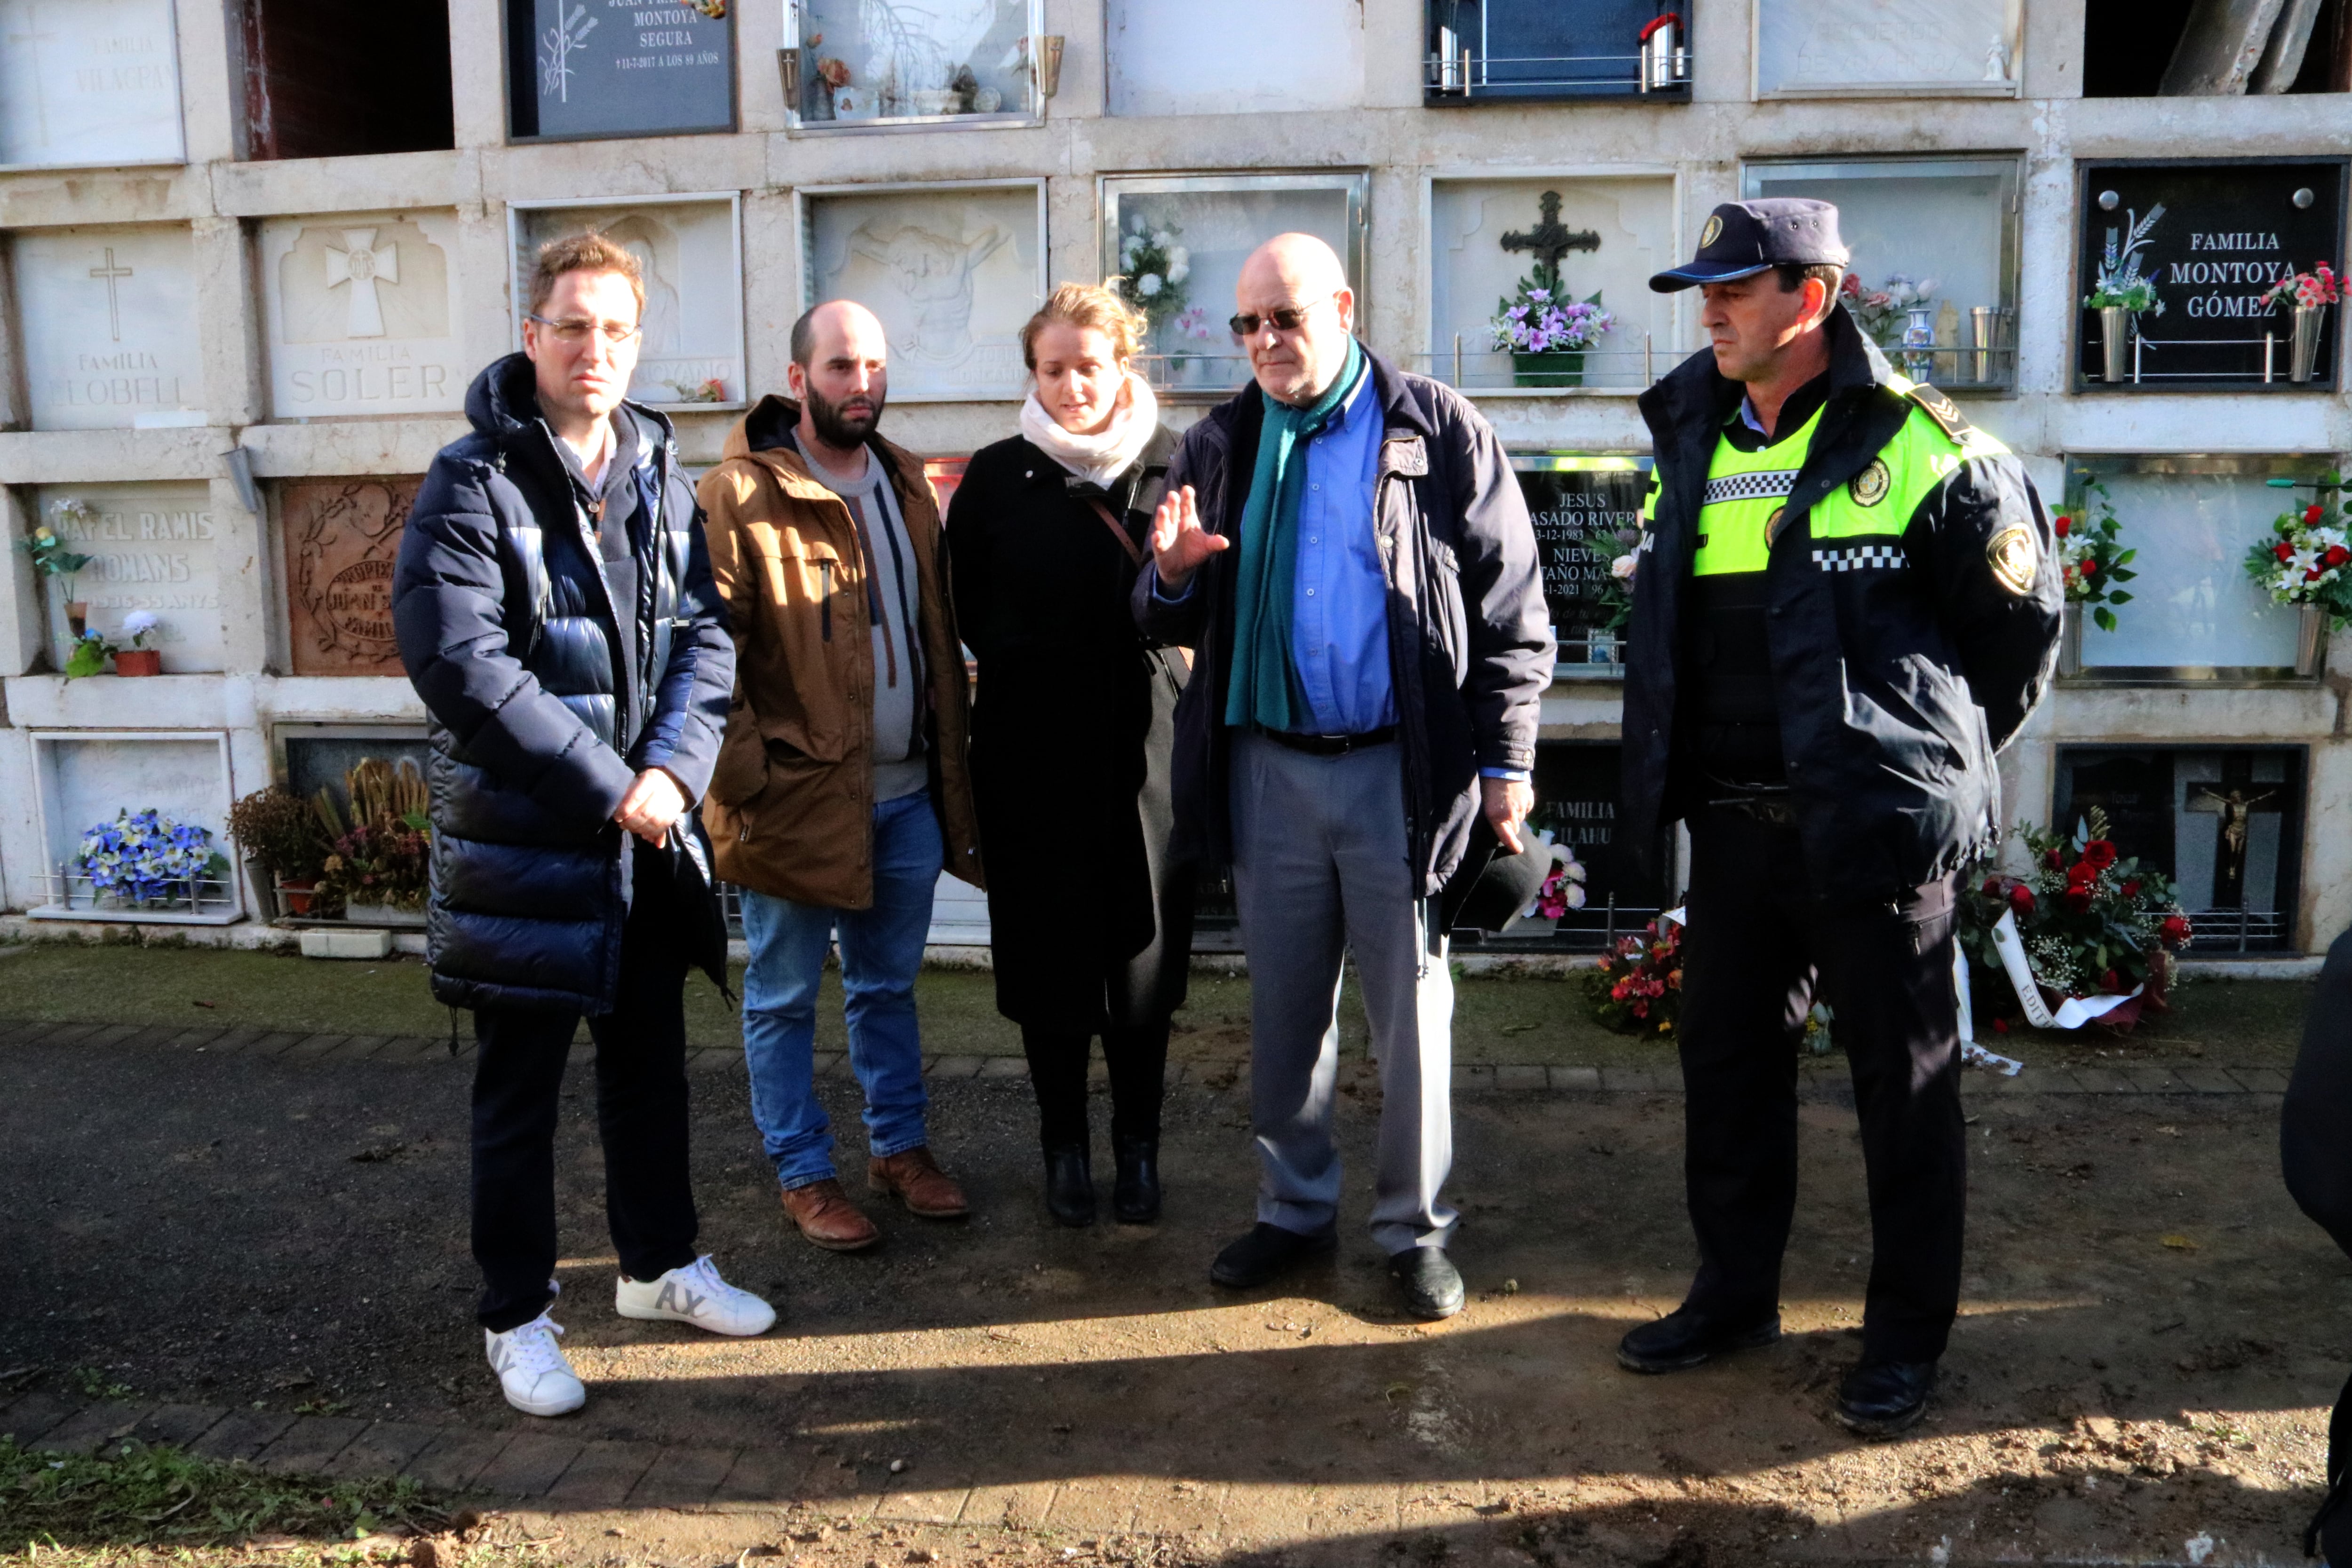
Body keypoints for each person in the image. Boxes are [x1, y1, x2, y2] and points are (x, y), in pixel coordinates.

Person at [1615, 199, 2061, 1434]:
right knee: (1728, 1071)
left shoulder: (1924, 443)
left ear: (1812, 298)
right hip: (1741, 833)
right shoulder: (1692, 430)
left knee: (1904, 1093)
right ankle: (1734, 1293)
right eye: (1702, 290)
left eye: (1736, 289)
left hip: (1872, 839)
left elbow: (2014, 640)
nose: (1709, 309)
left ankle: (1903, 1340)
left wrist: (1925, 780)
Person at [1134, 234, 1551, 1321]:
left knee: (1410, 1011)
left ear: (1344, 306)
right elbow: (1159, 609)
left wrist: (1506, 763)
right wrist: (1170, 578)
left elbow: (1512, 606)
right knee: (1282, 1010)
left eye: (1287, 317)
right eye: (1249, 324)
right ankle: (1291, 1208)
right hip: (1266, 765)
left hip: (1397, 769)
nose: (1267, 341)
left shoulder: (1433, 427)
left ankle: (1415, 1229)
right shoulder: (1218, 443)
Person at [393, 233, 772, 1420]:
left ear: (638, 338)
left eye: (615, 327)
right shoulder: (473, 480)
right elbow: (462, 662)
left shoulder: (660, 466)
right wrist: (613, 780)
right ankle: (515, 1317)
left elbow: (707, 631)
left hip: (643, 837)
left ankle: (658, 1269)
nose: (594, 348)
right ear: (531, 337)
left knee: (649, 1067)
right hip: (528, 845)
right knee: (519, 1097)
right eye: (571, 325)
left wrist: (670, 768)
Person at [699, 299, 982, 1252]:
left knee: (885, 986)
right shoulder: (738, 494)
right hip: (797, 799)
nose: (860, 383)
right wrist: (749, 776)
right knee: (781, 995)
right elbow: (707, 653)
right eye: (838, 367)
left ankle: (898, 1148)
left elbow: (932, 633)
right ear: (797, 380)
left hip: (904, 796)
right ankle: (803, 1171)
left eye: (872, 364)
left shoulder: (906, 479)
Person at [947, 283, 1190, 1228]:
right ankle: (1063, 1151)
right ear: (1032, 373)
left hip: (1149, 744)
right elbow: (968, 607)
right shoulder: (996, 476)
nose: (1071, 384)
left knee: (1142, 954)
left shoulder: (1178, 463)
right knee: (1049, 957)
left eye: (1090, 364)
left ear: (1121, 363)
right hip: (1030, 741)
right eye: (1053, 368)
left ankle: (1137, 1151)